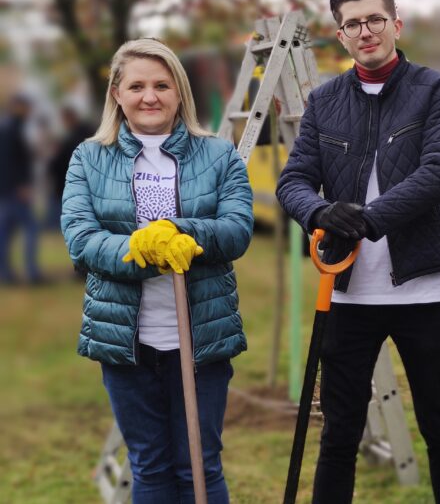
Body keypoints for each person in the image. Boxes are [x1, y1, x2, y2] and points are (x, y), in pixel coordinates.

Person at [276, 0, 440, 503]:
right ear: (341, 36)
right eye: (353, 23)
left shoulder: (435, 89)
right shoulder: (325, 101)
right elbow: (291, 181)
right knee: (338, 433)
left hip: (422, 291)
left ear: (395, 25)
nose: (366, 31)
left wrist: (371, 219)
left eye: (375, 19)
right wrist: (320, 211)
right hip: (348, 295)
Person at [61, 38, 253, 503]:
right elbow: (81, 239)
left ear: (179, 93)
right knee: (148, 466)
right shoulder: (89, 157)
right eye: (138, 85)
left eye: (162, 85)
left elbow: (237, 229)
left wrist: (180, 231)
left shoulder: (219, 155)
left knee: (199, 467)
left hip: (200, 337)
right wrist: (140, 247)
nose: (150, 96)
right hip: (126, 341)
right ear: (117, 94)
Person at [0, 93, 42, 284]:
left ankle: (5, 274)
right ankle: (32, 273)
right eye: (27, 108)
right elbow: (11, 161)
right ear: (18, 106)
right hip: (14, 191)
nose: (29, 112)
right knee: (31, 228)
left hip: (6, 190)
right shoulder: (13, 128)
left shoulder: (7, 126)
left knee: (5, 234)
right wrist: (21, 185)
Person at [48, 105, 95, 229]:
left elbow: (60, 162)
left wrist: (52, 164)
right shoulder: (88, 133)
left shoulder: (73, 138)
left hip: (68, 181)